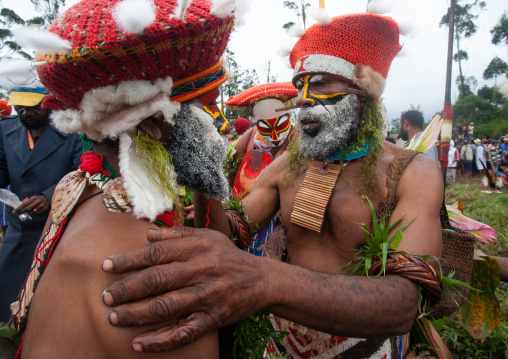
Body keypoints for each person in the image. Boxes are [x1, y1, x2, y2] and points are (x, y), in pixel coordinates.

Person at [101, 12, 443, 358]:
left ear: (365, 94)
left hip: (366, 347)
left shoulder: (412, 172)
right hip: (281, 343)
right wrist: (207, 181)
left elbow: (404, 303)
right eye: (300, 86)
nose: (303, 99)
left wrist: (263, 280)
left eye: (321, 82)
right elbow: (229, 236)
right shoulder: (287, 167)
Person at [11, 0, 236, 357]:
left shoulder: (81, 183)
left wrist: (204, 178)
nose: (217, 132)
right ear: (154, 126)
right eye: (206, 110)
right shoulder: (155, 269)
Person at [0, 86, 83, 324]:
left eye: (34, 106)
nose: (26, 112)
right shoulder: (5, 130)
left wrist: (49, 196)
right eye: (20, 106)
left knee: (51, 290)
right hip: (19, 224)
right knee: (9, 287)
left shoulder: (72, 131)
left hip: (57, 224)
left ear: (50, 102)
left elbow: (83, 171)